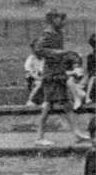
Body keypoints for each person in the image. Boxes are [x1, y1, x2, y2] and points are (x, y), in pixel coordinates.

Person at [33, 10, 85, 145]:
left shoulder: (58, 33)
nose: (63, 21)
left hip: (58, 73)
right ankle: (39, 137)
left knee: (64, 104)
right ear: (52, 20)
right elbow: (38, 50)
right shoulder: (48, 33)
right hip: (51, 75)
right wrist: (59, 52)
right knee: (49, 105)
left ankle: (77, 132)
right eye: (60, 19)